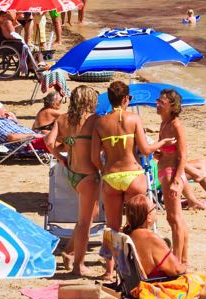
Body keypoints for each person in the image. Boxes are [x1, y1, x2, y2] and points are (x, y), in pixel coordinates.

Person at [90, 81, 174, 278]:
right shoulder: (133, 119)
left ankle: (109, 271)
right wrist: (162, 142)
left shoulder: (100, 123)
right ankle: (140, 264)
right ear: (126, 98)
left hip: (111, 176)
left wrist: (105, 170)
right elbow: (145, 150)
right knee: (137, 224)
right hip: (133, 175)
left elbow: (95, 157)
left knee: (112, 226)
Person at [122, 195, 206, 299]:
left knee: (200, 278)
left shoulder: (129, 235)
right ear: (148, 218)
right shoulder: (151, 238)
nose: (155, 211)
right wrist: (184, 267)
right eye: (154, 208)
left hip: (139, 287)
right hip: (161, 290)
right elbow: (176, 270)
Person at [45, 85, 99, 276]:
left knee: (91, 214)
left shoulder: (62, 119)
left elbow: (49, 142)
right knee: (85, 221)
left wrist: (60, 158)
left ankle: (69, 251)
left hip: (73, 174)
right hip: (88, 175)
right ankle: (78, 264)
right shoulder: (93, 120)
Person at [155, 89, 191, 265]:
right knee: (174, 218)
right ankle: (183, 258)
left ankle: (177, 260)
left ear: (171, 105)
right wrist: (159, 154)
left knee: (175, 218)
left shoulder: (176, 125)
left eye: (162, 102)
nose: (158, 104)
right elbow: (168, 150)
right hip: (164, 171)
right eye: (158, 101)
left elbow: (183, 155)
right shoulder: (164, 123)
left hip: (172, 174)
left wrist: (176, 181)